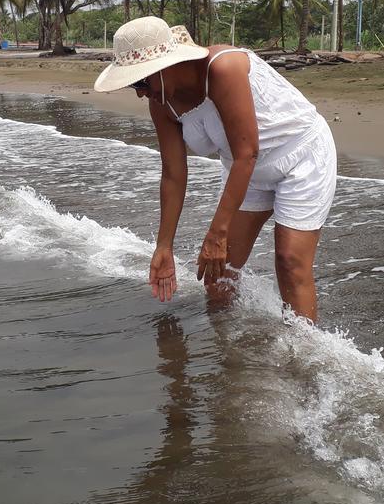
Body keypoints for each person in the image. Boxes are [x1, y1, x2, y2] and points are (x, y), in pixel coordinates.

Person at [94, 17, 336, 322]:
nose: (141, 93)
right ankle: (228, 353)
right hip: (246, 171)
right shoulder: (162, 103)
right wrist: (163, 247)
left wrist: (216, 233)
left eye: (142, 81)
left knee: (289, 262)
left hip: (301, 156)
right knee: (218, 280)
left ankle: (301, 360)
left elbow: (247, 153)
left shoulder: (223, 68)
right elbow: (173, 174)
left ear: (165, 66)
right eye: (134, 85)